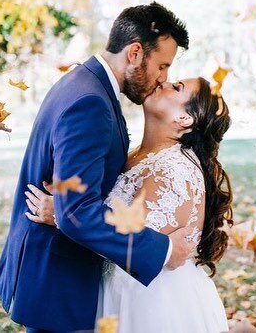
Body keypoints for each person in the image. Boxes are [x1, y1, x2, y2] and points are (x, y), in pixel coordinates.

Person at [0, 2, 196, 332]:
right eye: (162, 65)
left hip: (60, 277)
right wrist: (164, 249)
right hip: (59, 287)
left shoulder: (87, 84)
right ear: (135, 53)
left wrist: (61, 209)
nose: (163, 78)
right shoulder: (90, 102)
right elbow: (78, 213)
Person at [27, 76, 234, 332]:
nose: (165, 81)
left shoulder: (173, 168)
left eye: (177, 88)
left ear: (184, 119)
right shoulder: (137, 154)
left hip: (150, 300)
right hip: (118, 288)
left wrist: (61, 214)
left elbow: (127, 244)